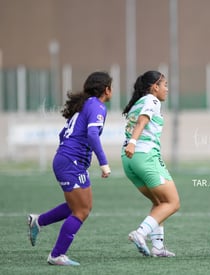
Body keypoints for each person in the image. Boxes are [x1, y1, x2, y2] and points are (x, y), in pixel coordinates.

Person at [27, 71, 113, 266]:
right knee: (81, 211)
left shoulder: (84, 105)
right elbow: (92, 134)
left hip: (70, 161)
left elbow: (62, 134)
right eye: (111, 86)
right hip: (70, 162)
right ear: (106, 89)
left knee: (82, 206)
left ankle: (38, 221)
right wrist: (103, 162)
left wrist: (70, 154)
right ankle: (56, 255)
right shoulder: (98, 106)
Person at [121, 70, 180, 257]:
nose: (167, 89)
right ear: (155, 87)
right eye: (165, 85)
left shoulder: (137, 103)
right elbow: (141, 122)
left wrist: (131, 144)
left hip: (129, 161)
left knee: (158, 202)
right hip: (144, 155)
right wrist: (133, 142)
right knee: (173, 202)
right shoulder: (151, 100)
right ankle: (140, 233)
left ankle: (157, 247)